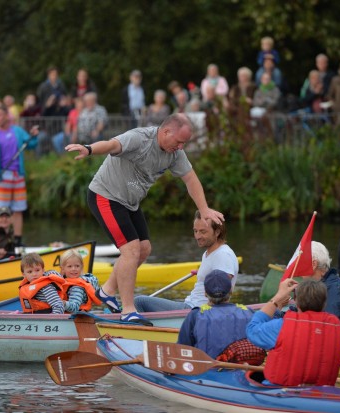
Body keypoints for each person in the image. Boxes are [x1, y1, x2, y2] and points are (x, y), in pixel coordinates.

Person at [65, 113, 224, 325]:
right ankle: (128, 310)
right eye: (178, 142)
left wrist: (204, 210)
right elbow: (111, 145)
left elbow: (190, 179)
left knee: (144, 249)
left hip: (130, 202)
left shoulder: (175, 154)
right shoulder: (139, 139)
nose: (180, 147)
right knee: (130, 250)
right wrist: (89, 148)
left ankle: (106, 291)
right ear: (166, 131)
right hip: (106, 196)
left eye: (184, 143)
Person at [246, 278, 340, 386]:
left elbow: (252, 330)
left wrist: (277, 298)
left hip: (280, 391)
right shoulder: (334, 326)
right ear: (324, 302)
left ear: (296, 301)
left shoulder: (282, 325)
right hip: (321, 393)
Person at [135, 210, 238, 312]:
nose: (197, 236)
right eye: (195, 231)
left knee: (139, 301)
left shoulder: (223, 255)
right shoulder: (208, 253)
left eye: (203, 232)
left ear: (217, 232)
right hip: (190, 305)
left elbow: (222, 292)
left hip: (196, 311)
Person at [177, 270, 262, 361]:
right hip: (243, 371)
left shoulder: (195, 315)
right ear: (231, 291)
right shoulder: (249, 312)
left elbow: (182, 350)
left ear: (205, 293)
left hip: (207, 372)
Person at [0, 105, 37, 247]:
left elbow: (31, 144)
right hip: (3, 176)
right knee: (0, 210)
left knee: (18, 209)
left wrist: (34, 134)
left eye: (0, 116)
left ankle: (17, 241)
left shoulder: (18, 131)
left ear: (7, 116)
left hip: (18, 175)